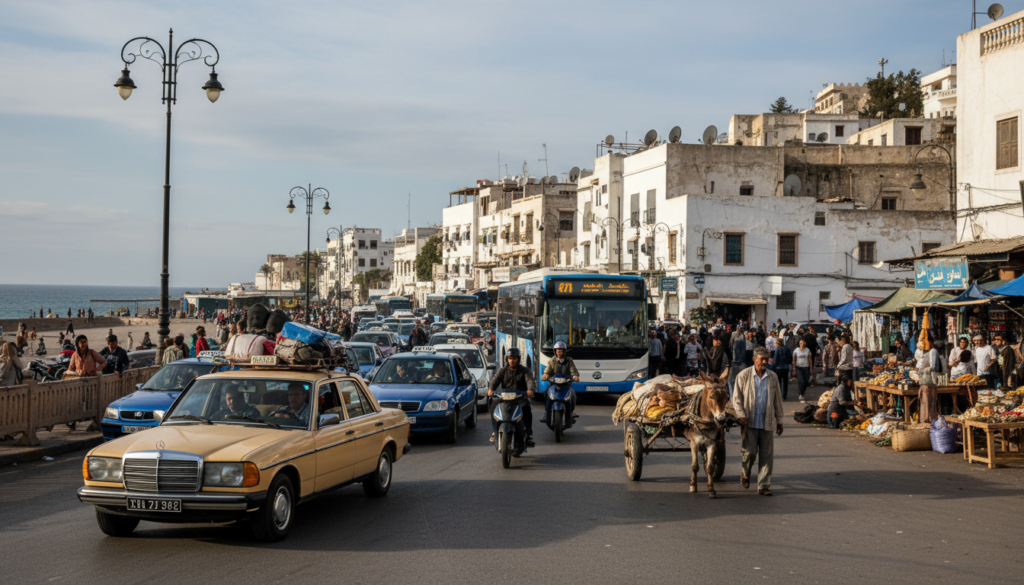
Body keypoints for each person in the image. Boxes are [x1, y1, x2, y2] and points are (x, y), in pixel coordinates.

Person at [732, 347, 784, 496]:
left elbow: (777, 400)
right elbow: (736, 399)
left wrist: (779, 420)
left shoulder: (772, 377)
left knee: (766, 456)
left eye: (766, 359)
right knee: (750, 453)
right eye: (762, 359)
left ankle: (764, 485)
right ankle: (745, 472)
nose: (764, 362)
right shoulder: (743, 375)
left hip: (767, 422)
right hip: (749, 422)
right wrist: (741, 415)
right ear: (754, 359)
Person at [487, 347, 536, 447]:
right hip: (504, 398)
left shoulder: (525, 371)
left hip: (520, 398)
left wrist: (530, 389)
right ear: (507, 359)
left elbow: (530, 381)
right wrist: (491, 388)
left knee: (527, 407)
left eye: (514, 358)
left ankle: (528, 434)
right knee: (493, 403)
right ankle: (495, 430)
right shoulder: (502, 371)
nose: (512, 361)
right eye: (510, 358)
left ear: (518, 359)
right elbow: (494, 380)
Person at [542, 340, 579, 424]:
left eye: (561, 351)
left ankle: (572, 411)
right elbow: (547, 371)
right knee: (546, 393)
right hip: (554, 384)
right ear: (555, 351)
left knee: (573, 394)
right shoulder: (551, 361)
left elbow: (573, 370)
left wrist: (575, 376)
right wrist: (545, 375)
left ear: (564, 352)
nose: (559, 353)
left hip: (566, 384)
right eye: (558, 351)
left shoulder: (569, 360)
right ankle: (546, 413)